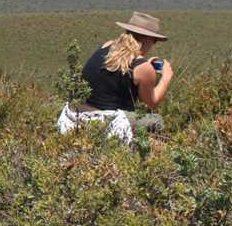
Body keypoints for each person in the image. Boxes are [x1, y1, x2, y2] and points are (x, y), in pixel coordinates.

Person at [57, 11, 174, 142]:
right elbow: (152, 103)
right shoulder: (142, 67)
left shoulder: (107, 45)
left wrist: (145, 66)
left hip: (75, 116)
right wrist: (166, 77)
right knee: (156, 121)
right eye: (155, 41)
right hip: (107, 122)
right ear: (148, 40)